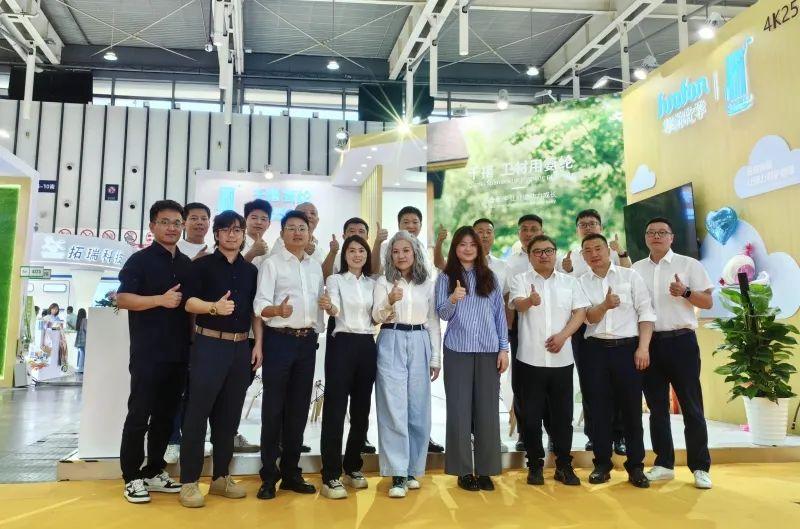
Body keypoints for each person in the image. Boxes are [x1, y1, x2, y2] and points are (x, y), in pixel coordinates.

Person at [178, 211, 263, 508]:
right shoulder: (201, 265)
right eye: (226, 230)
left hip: (240, 349)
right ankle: (189, 482)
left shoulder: (250, 271)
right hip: (208, 345)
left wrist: (258, 344)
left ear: (243, 235)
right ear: (216, 234)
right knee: (197, 414)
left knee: (229, 417)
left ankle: (220, 477)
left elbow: (255, 311)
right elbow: (189, 302)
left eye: (237, 230)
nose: (232, 235)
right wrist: (213, 307)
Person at [116, 200, 194, 504]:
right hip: (148, 352)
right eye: (165, 222)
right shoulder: (140, 261)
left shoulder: (186, 264)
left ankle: (154, 470)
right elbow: (123, 298)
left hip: (179, 353)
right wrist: (159, 300)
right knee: (140, 414)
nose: (172, 228)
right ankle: (131, 476)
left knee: (165, 416)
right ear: (152, 226)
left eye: (177, 223)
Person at [632, 217, 714, 489]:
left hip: (682, 342)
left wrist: (686, 292)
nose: (656, 236)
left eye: (662, 232)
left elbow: (708, 302)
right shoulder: (636, 269)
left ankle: (700, 467)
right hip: (649, 344)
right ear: (646, 237)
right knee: (657, 408)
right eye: (651, 232)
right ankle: (664, 463)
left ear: (671, 237)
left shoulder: (689, 265)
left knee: (692, 407)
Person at [253, 210, 325, 500]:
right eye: (291, 228)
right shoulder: (271, 264)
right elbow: (260, 305)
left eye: (302, 228)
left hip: (306, 343)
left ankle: (292, 472)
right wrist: (277, 311)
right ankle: (269, 475)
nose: (297, 232)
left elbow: (318, 304)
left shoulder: (315, 266)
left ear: (309, 233)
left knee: (298, 409)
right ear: (282, 233)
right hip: (279, 340)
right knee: (273, 409)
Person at [510, 235, 589, 487]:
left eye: (548, 250)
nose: (543, 255)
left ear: (555, 253)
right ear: (530, 255)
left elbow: (580, 312)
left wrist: (563, 336)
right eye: (537, 251)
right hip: (529, 360)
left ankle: (564, 465)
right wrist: (530, 301)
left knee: (563, 417)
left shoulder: (570, 282)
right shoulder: (521, 279)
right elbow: (517, 305)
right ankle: (534, 464)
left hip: (561, 360)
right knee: (530, 417)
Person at [578, 233, 655, 488]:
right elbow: (587, 318)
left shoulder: (630, 276)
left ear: (608, 250)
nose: (594, 254)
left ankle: (636, 466)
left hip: (628, 349)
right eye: (588, 250)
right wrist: (605, 305)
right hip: (594, 351)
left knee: (631, 409)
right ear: (583, 256)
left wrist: (643, 348)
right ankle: (602, 464)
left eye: (598, 248)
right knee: (598, 409)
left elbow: (646, 313)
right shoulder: (580, 282)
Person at [435, 226, 509, 492]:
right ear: (455, 248)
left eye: (472, 245)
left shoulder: (490, 277)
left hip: (489, 350)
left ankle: (487, 470)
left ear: (478, 248)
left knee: (487, 412)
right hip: (457, 351)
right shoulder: (446, 277)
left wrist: (503, 349)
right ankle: (463, 471)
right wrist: (453, 299)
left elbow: (499, 314)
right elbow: (442, 314)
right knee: (459, 411)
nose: (467, 249)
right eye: (462, 244)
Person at [372, 231, 441, 498]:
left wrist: (435, 357)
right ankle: (397, 473)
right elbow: (376, 315)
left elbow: (433, 321)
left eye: (406, 250)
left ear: (415, 253)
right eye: (396, 251)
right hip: (391, 338)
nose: (401, 256)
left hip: (420, 339)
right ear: (390, 255)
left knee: (418, 407)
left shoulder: (427, 283)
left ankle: (413, 469)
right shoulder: (383, 281)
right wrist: (389, 300)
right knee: (393, 407)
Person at [560, 209, 628, 453]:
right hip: (583, 327)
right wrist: (567, 270)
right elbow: (565, 291)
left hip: (617, 326)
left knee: (618, 385)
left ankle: (620, 436)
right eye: (583, 224)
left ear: (601, 227)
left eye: (592, 223)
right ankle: (594, 435)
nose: (588, 227)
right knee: (590, 384)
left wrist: (621, 252)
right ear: (577, 229)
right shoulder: (570, 256)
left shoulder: (613, 250)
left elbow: (629, 273)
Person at [319, 235, 376, 499]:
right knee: (335, 409)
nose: (357, 255)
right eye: (351, 250)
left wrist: (389, 308)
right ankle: (330, 474)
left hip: (367, 344)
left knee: (362, 410)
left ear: (367, 255)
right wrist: (329, 306)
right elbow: (335, 308)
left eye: (361, 250)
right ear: (345, 255)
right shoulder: (335, 280)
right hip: (342, 343)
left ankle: (352, 466)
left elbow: (377, 314)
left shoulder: (373, 283)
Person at [505, 214, 544, 452]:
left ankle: (553, 432)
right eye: (525, 229)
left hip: (552, 329)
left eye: (534, 229)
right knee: (521, 382)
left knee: (551, 381)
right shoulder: (511, 263)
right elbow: (507, 298)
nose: (529, 233)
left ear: (542, 231)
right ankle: (524, 433)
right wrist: (509, 330)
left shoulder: (556, 257)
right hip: (521, 328)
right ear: (519, 233)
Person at [243, 199, 272, 267]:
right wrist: (251, 254)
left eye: (263, 219)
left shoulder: (269, 251)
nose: (259, 222)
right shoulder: (236, 245)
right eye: (254, 218)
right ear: (245, 220)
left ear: (269, 224)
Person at [74, 308, 87, 374]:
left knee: (81, 353)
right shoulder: (85, 320)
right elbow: (86, 329)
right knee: (83, 354)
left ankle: (79, 367)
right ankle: (81, 368)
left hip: (79, 340)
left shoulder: (78, 320)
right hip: (84, 339)